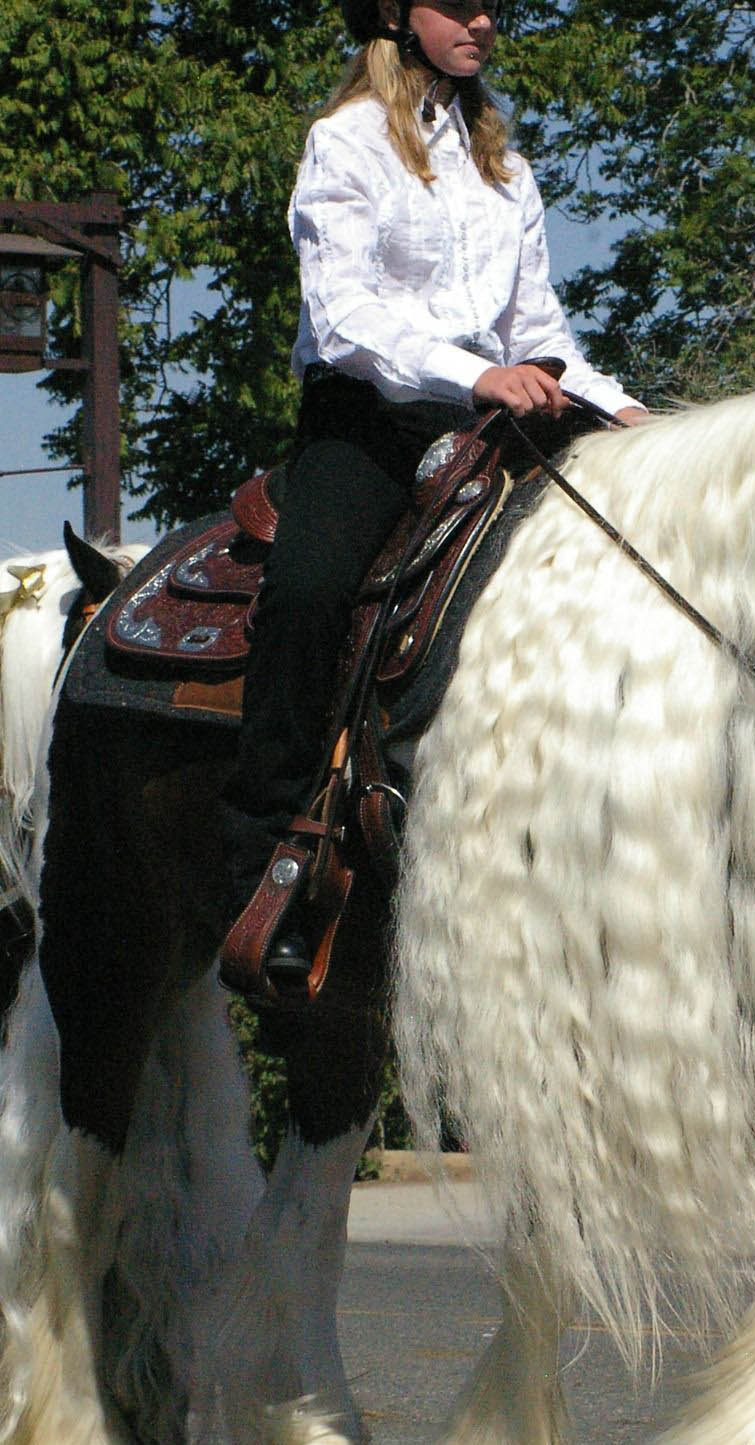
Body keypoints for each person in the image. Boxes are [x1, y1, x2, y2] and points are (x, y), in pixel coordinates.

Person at [220, 0, 646, 987]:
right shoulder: (346, 142)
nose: (483, 21)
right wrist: (474, 374)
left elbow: (538, 325)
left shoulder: (505, 166)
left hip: (494, 416)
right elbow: (344, 315)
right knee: (310, 588)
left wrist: (621, 411)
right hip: (368, 414)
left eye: (493, 5)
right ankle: (263, 858)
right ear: (395, 14)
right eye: (458, 4)